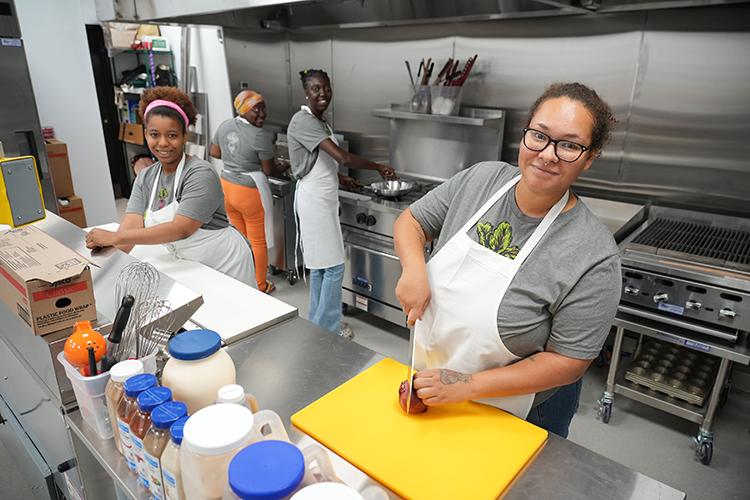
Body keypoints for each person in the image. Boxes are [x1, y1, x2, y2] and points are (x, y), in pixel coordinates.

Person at [394, 82, 621, 438]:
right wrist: (413, 270)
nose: (548, 154)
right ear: (525, 133)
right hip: (435, 382)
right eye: (539, 136)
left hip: (520, 410)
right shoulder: (481, 180)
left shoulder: (594, 255)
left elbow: (568, 363)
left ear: (589, 157)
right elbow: (412, 222)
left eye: (570, 145)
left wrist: (467, 385)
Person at [86, 87, 257, 288]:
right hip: (191, 264)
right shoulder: (146, 177)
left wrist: (114, 236)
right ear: (146, 134)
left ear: (185, 136)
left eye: (172, 135)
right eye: (155, 135)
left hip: (225, 263)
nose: (163, 143)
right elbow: (131, 226)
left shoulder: (200, 173)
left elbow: (181, 229)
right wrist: (98, 269)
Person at [287, 69, 397, 338]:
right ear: (306, 92)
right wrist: (378, 166)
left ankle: (318, 323)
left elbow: (320, 159)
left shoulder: (318, 121)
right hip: (314, 201)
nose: (322, 93)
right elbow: (342, 156)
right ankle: (329, 327)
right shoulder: (304, 121)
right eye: (315, 89)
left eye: (326, 88)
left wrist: (340, 178)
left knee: (322, 267)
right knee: (333, 266)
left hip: (323, 198)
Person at [210, 90, 289, 294]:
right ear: (244, 110)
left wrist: (234, 158)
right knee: (258, 241)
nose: (262, 114)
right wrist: (285, 166)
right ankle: (261, 286)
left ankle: (242, 280)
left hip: (227, 189)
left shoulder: (225, 125)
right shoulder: (259, 135)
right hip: (249, 192)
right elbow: (269, 170)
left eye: (264, 109)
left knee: (240, 238)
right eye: (256, 109)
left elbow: (214, 152)